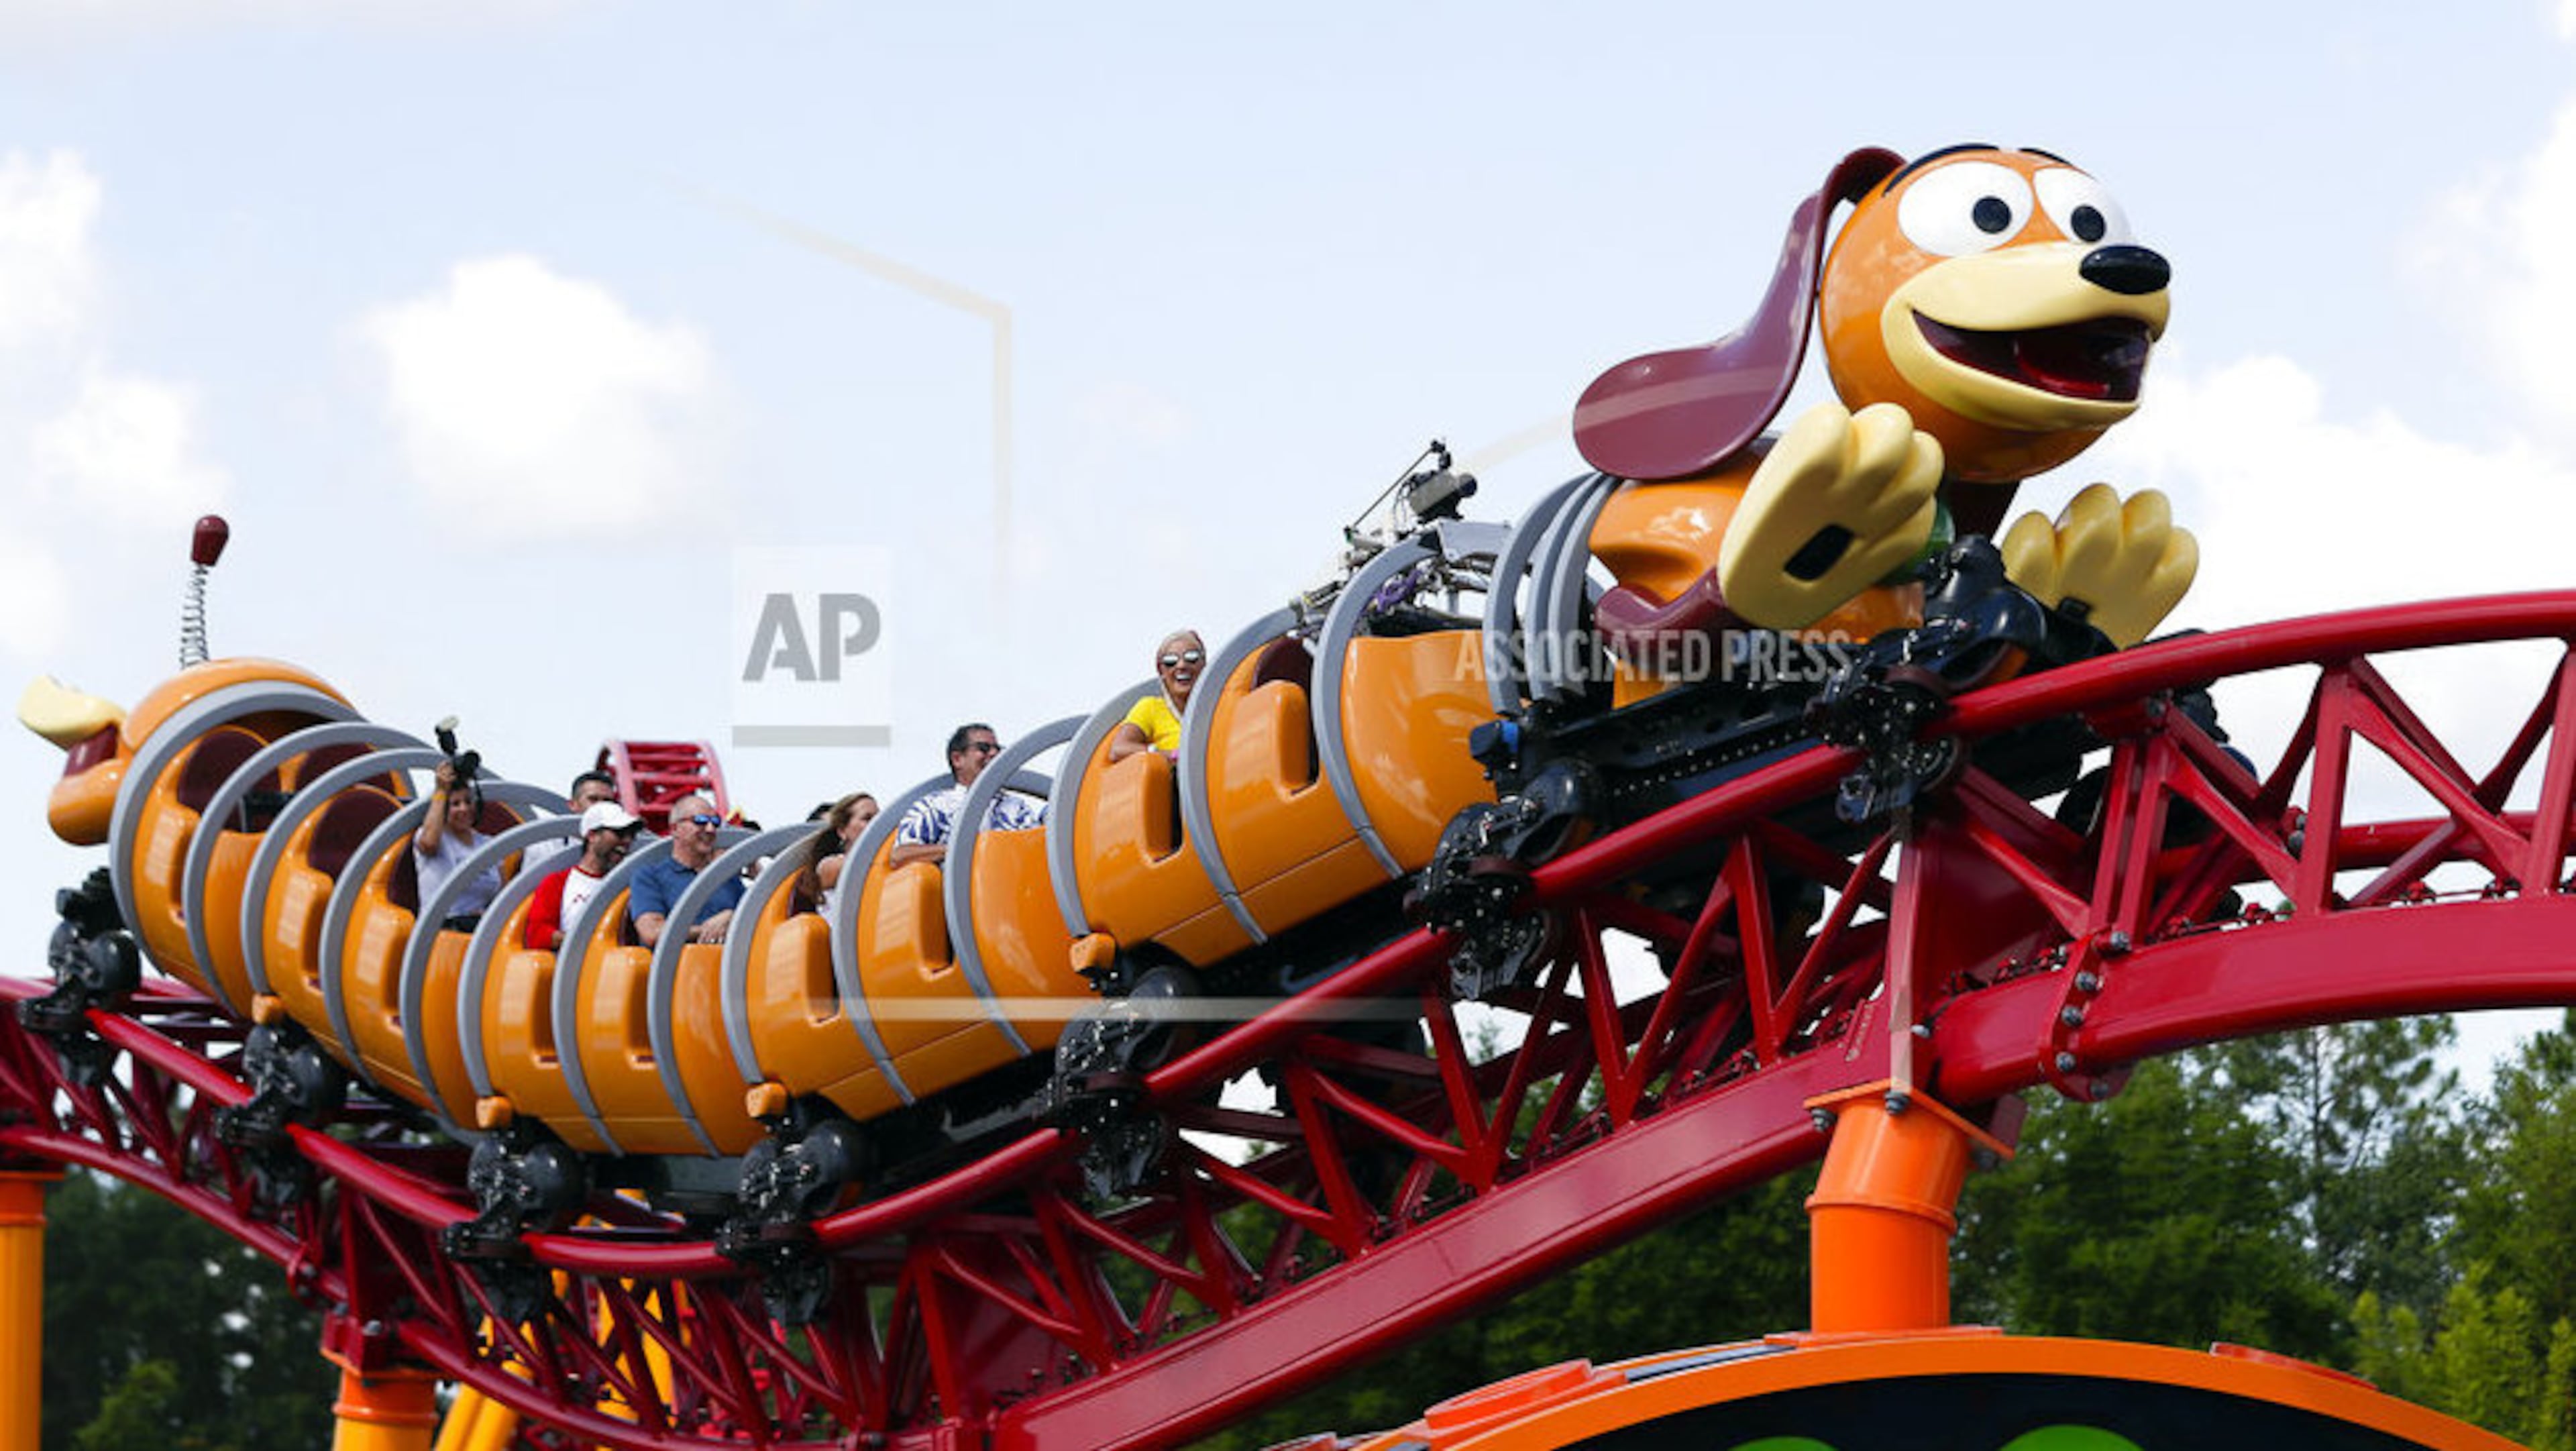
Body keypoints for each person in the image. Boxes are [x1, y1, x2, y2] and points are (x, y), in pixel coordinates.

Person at [890, 724, 1043, 869]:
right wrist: (962, 850)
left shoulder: (1016, 807)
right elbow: (900, 855)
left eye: (997, 749)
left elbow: (1040, 848)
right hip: (958, 893)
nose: (994, 754)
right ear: (958, 759)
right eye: (984, 748)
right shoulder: (935, 806)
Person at [629, 792, 746, 947]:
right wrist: (707, 930)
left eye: (715, 822)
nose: (710, 829)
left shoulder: (728, 879)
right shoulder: (650, 877)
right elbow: (652, 932)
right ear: (676, 829)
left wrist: (731, 917)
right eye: (700, 821)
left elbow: (756, 920)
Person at [523, 801, 645, 951]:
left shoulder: (633, 886)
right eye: (619, 833)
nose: (627, 841)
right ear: (592, 835)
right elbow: (537, 936)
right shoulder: (558, 882)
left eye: (631, 835)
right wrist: (589, 942)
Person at [413, 757, 499, 929]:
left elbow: (501, 896)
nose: (464, 809)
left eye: (468, 802)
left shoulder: (488, 844)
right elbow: (429, 844)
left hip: (480, 929)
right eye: (455, 804)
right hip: (442, 929)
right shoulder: (435, 837)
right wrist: (441, 790)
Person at [1108, 629, 1205, 763]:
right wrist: (1170, 755)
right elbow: (1119, 749)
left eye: (1191, 657)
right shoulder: (1150, 707)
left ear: (1203, 664)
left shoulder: (1216, 705)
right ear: (1161, 670)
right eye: (1171, 661)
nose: (1182, 665)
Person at [796, 791, 879, 916]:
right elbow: (861, 866)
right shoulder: (830, 865)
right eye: (867, 819)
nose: (875, 824)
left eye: (878, 818)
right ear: (842, 831)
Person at [526, 769, 619, 870]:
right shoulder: (545, 847)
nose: (601, 806)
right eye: (593, 799)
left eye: (607, 801)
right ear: (573, 805)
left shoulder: (625, 848)